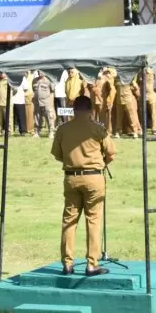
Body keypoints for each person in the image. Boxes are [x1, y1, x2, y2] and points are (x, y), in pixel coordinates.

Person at [50, 96, 116, 276]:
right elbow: (111, 153)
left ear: (73, 110)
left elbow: (57, 154)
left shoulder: (63, 129)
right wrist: (99, 161)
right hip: (94, 177)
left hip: (71, 177)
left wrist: (73, 160)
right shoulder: (97, 128)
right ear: (91, 110)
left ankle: (67, 263)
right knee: (93, 220)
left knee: (69, 221)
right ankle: (92, 264)